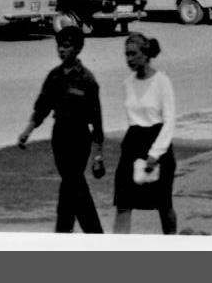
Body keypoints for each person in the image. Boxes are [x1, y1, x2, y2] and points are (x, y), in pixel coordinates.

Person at [16, 24, 106, 233]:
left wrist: (98, 156)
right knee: (72, 186)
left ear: (77, 49)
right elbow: (42, 107)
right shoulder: (54, 76)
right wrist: (27, 132)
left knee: (72, 182)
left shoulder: (87, 79)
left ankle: (77, 234)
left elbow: (97, 120)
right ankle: (83, 234)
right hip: (60, 137)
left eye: (66, 46)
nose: (61, 50)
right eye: (59, 46)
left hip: (79, 137)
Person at [112, 33, 177, 235]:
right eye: (126, 55)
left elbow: (170, 120)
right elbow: (133, 117)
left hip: (157, 144)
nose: (129, 59)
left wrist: (155, 154)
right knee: (123, 203)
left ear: (146, 54)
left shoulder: (162, 81)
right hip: (132, 144)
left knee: (163, 204)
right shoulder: (127, 83)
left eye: (133, 54)